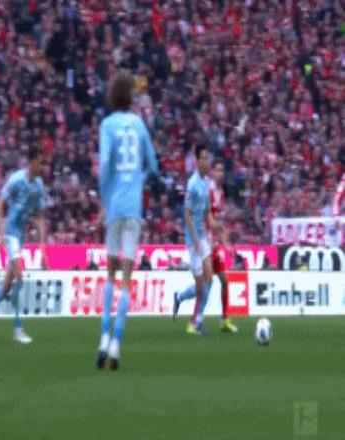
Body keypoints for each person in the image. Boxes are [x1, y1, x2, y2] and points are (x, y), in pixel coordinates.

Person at [96, 71, 158, 371]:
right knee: (126, 279)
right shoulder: (139, 124)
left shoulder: (107, 125)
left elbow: (105, 164)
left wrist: (104, 199)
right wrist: (138, 181)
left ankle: (103, 338)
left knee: (110, 274)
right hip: (133, 207)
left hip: (114, 207)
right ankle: (117, 343)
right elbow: (153, 166)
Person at [0, 148, 47, 344]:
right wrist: (0, 232)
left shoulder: (39, 186)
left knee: (7, 286)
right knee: (20, 278)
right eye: (40, 162)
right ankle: (17, 328)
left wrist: (42, 248)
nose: (43, 166)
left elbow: (40, 217)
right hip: (10, 233)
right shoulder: (16, 179)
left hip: (20, 237)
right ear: (31, 162)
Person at [172, 159, 237, 333]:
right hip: (204, 243)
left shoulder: (221, 194)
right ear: (212, 172)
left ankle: (224, 320)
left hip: (213, 244)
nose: (220, 173)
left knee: (223, 281)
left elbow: (216, 221)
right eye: (218, 170)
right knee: (206, 284)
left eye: (222, 170)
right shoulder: (207, 191)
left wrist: (225, 243)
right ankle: (193, 321)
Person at [172, 145, 216, 336]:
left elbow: (207, 212)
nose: (207, 162)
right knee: (200, 287)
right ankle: (180, 297)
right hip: (193, 240)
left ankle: (197, 320)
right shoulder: (192, 184)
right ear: (197, 161)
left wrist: (215, 226)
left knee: (210, 279)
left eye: (208, 158)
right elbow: (187, 213)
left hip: (202, 236)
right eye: (203, 158)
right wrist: (196, 239)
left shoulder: (206, 183)